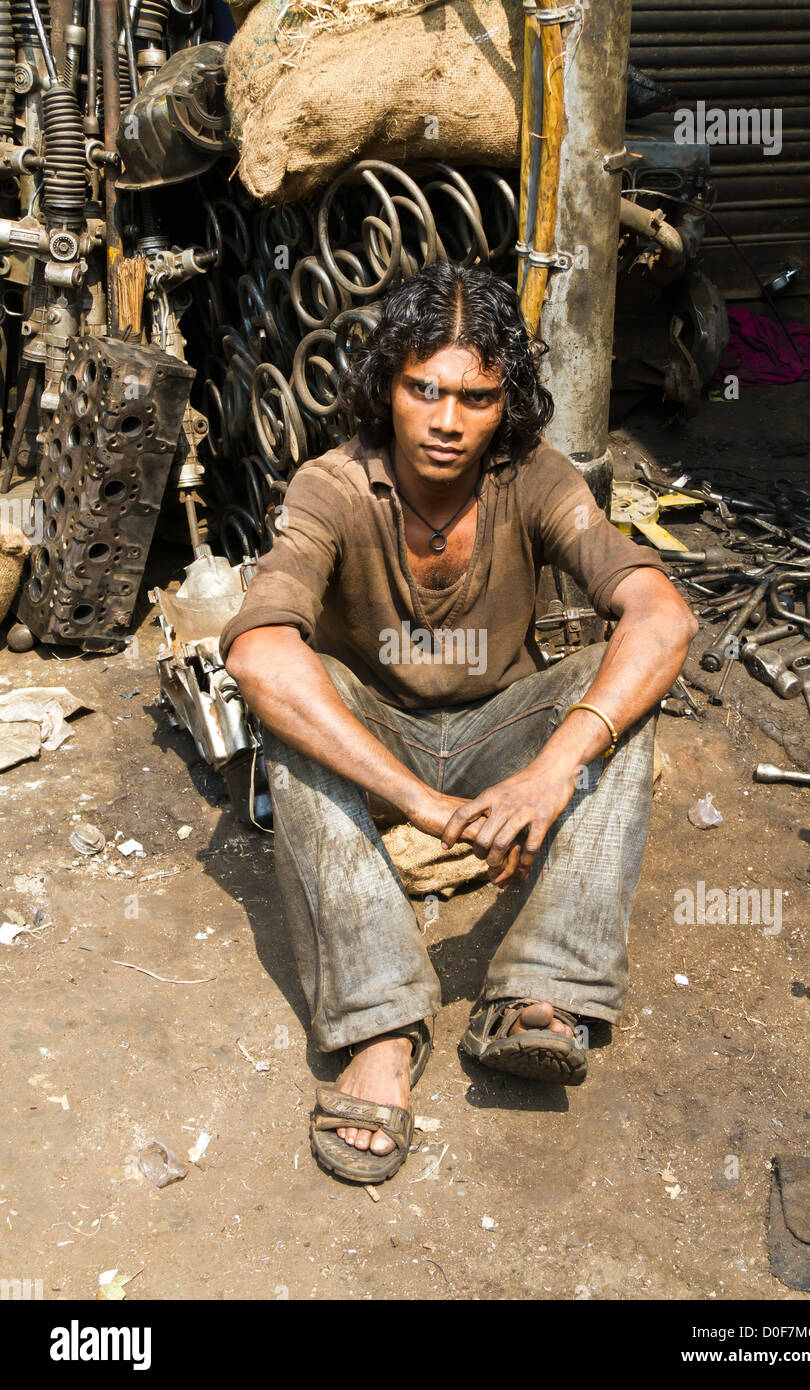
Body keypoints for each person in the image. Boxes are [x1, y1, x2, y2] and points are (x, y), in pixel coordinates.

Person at [220, 261, 697, 1184]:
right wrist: (419, 804)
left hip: (498, 731)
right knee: (293, 693)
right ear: (387, 387)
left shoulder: (537, 477)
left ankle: (538, 993)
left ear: (505, 405)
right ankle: (380, 1025)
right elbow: (255, 654)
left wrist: (553, 768)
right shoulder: (332, 486)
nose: (446, 422)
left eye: (476, 399)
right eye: (423, 390)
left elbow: (661, 616)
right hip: (382, 740)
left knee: (625, 694)